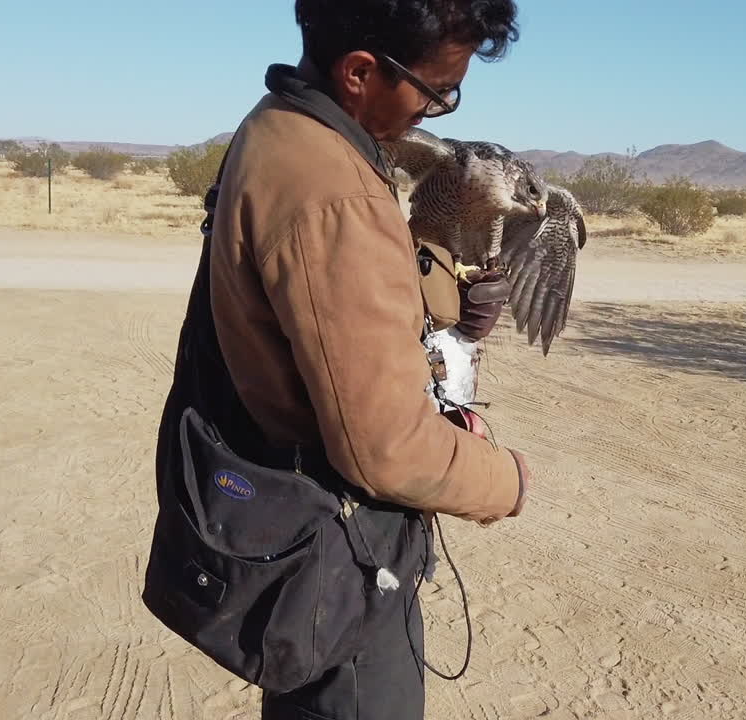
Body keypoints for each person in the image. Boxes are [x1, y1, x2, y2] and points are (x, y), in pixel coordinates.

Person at [202, 1, 531, 717]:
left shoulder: (283, 127)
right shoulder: (334, 188)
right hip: (339, 547)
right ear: (359, 72)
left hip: (300, 535)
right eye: (437, 91)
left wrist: (448, 295)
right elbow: (382, 447)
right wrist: (505, 479)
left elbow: (345, 300)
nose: (436, 111)